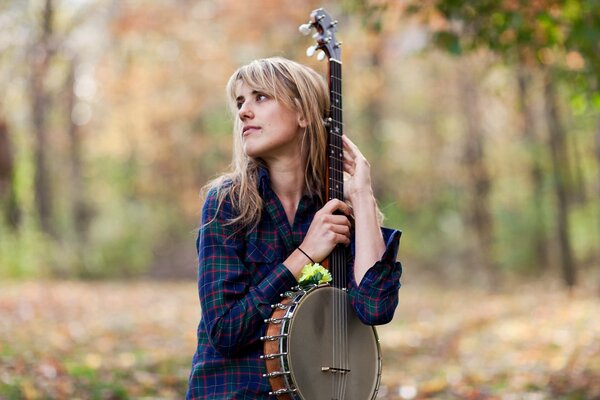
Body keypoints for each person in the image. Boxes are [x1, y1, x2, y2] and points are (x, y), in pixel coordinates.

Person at [186, 57, 402, 399]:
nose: (243, 112)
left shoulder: (336, 205)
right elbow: (225, 331)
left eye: (260, 97)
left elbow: (375, 308)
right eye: (240, 102)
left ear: (303, 114)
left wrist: (361, 194)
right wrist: (303, 255)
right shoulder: (227, 203)